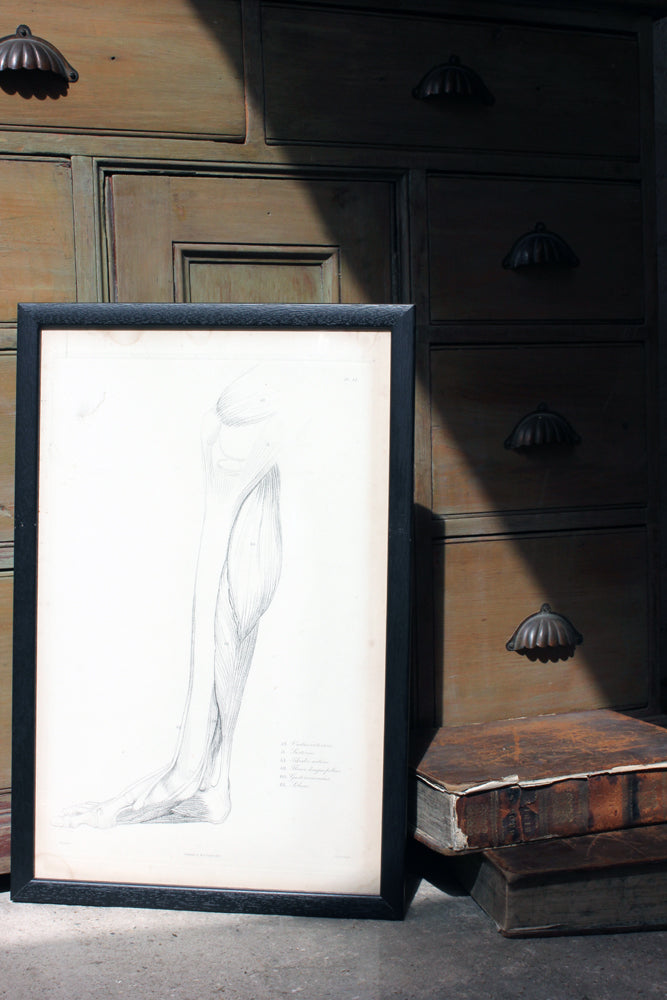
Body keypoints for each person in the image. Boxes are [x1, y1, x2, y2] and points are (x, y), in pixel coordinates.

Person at [60, 371, 283, 827]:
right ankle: (207, 782)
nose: (226, 453)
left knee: (228, 639)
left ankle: (207, 782)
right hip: (229, 546)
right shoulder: (216, 433)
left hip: (245, 554)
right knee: (217, 637)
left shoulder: (259, 456)